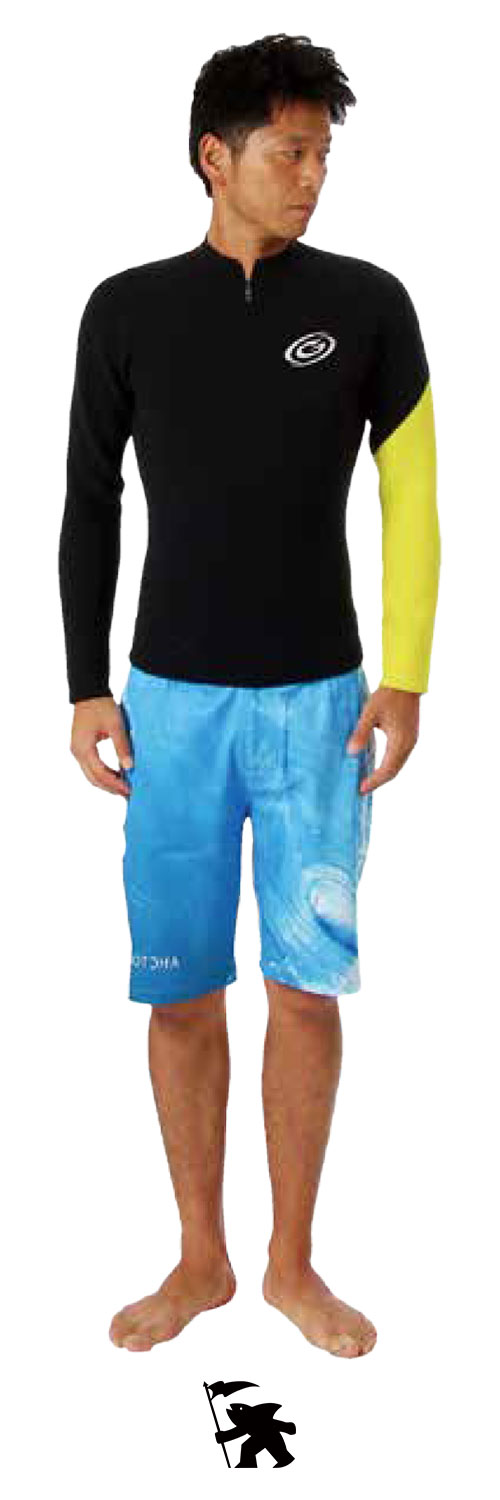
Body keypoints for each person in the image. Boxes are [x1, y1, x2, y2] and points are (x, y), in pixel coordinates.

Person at [58, 34, 441, 1358]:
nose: (314, 176)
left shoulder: (371, 304)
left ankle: (290, 1262)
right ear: (214, 156)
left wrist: (406, 675)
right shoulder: (126, 310)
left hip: (319, 708)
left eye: (325, 152)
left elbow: (412, 501)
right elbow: (88, 504)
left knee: (305, 988)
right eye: (291, 151)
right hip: (168, 708)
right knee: (178, 993)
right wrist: (84, 685)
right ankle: (200, 1258)